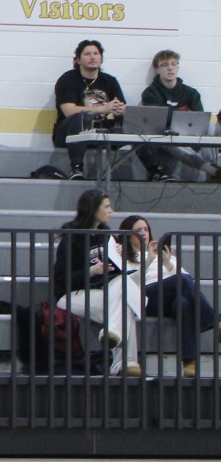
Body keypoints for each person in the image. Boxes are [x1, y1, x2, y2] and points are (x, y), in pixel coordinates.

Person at [52, 189, 142, 377]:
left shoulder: (107, 235)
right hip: (72, 294)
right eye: (107, 207)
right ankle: (125, 363)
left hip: (102, 291)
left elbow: (114, 271)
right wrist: (91, 271)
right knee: (124, 305)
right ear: (94, 210)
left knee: (122, 296)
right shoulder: (72, 238)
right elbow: (62, 279)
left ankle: (114, 337)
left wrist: (118, 256)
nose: (111, 211)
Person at [119, 215, 219, 377]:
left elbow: (188, 281)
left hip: (166, 297)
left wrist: (167, 263)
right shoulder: (123, 257)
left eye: (146, 229)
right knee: (181, 280)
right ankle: (215, 322)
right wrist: (148, 261)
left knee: (183, 303)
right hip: (144, 297)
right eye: (138, 230)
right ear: (128, 235)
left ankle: (190, 363)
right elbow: (128, 285)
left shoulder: (165, 255)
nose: (143, 233)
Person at [52, 39, 132, 180]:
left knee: (137, 125)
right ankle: (76, 168)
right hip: (69, 132)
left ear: (101, 58)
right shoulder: (68, 79)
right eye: (87, 54)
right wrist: (104, 108)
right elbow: (69, 111)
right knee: (78, 118)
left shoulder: (110, 80)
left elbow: (121, 106)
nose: (93, 57)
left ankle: (156, 170)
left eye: (96, 54)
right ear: (78, 60)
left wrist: (120, 110)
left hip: (100, 129)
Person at [138, 50, 221, 182]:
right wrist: (184, 113)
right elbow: (159, 118)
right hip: (164, 134)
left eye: (174, 64)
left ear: (178, 67)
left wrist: (173, 113)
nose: (170, 68)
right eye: (165, 65)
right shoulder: (150, 93)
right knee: (169, 137)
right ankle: (213, 171)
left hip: (191, 132)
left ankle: (214, 164)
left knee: (210, 125)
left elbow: (200, 118)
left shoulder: (191, 92)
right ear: (157, 70)